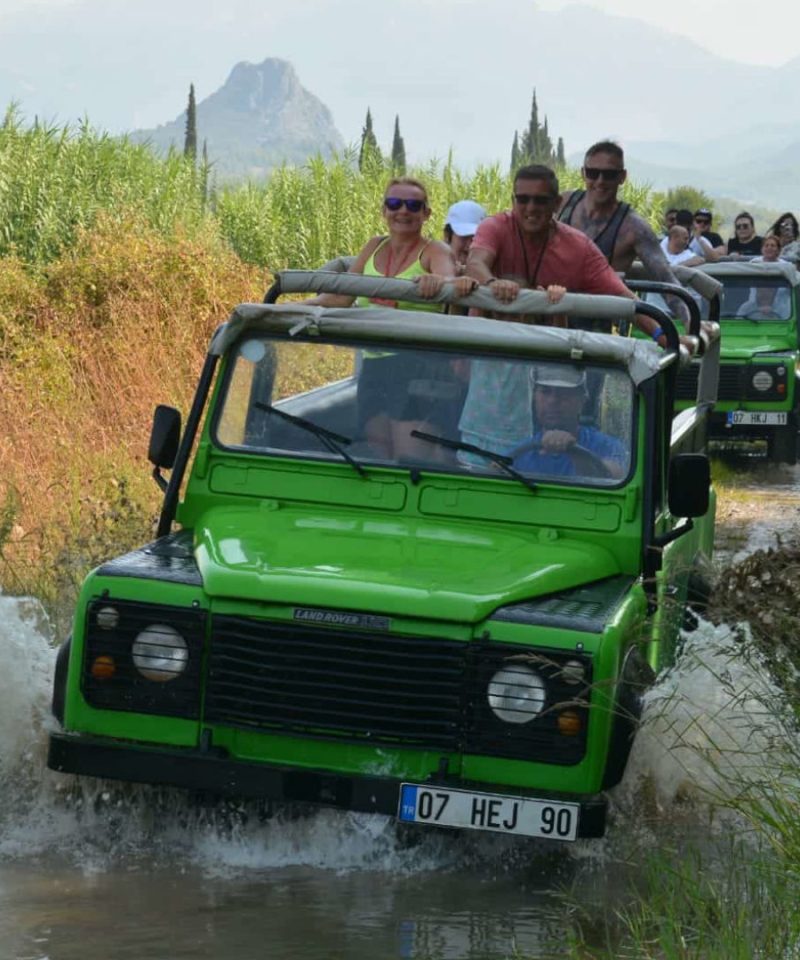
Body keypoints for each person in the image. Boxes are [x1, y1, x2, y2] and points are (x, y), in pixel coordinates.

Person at [305, 176, 476, 458]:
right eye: (395, 203)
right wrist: (294, 307)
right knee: (376, 452)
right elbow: (341, 295)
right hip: (373, 364)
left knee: (409, 458)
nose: (403, 211)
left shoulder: (434, 250)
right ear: (384, 210)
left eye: (413, 205)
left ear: (426, 213)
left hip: (416, 363)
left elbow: (449, 282)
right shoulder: (373, 246)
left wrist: (436, 281)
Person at [467, 162, 667, 341]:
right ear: (513, 201)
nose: (531, 207)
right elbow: (476, 263)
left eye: (540, 200)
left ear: (557, 203)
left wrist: (662, 335)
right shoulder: (494, 227)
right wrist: (493, 283)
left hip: (545, 356)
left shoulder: (579, 247)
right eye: (523, 199)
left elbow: (623, 297)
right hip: (486, 353)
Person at [557, 141, 680, 283]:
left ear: (622, 177)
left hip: (601, 303)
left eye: (609, 174)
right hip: (552, 300)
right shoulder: (563, 203)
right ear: (583, 173)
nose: (600, 181)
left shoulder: (635, 228)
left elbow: (668, 282)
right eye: (593, 173)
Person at [511, 364, 628, 479]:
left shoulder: (607, 446)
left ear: (582, 400)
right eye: (545, 392)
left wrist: (575, 452)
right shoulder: (520, 453)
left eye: (563, 393)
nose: (552, 400)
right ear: (534, 397)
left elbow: (615, 476)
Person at [443, 200, 487, 275]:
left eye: (476, 239)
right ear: (447, 236)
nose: (470, 245)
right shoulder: (430, 265)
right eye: (464, 236)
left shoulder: (492, 273)